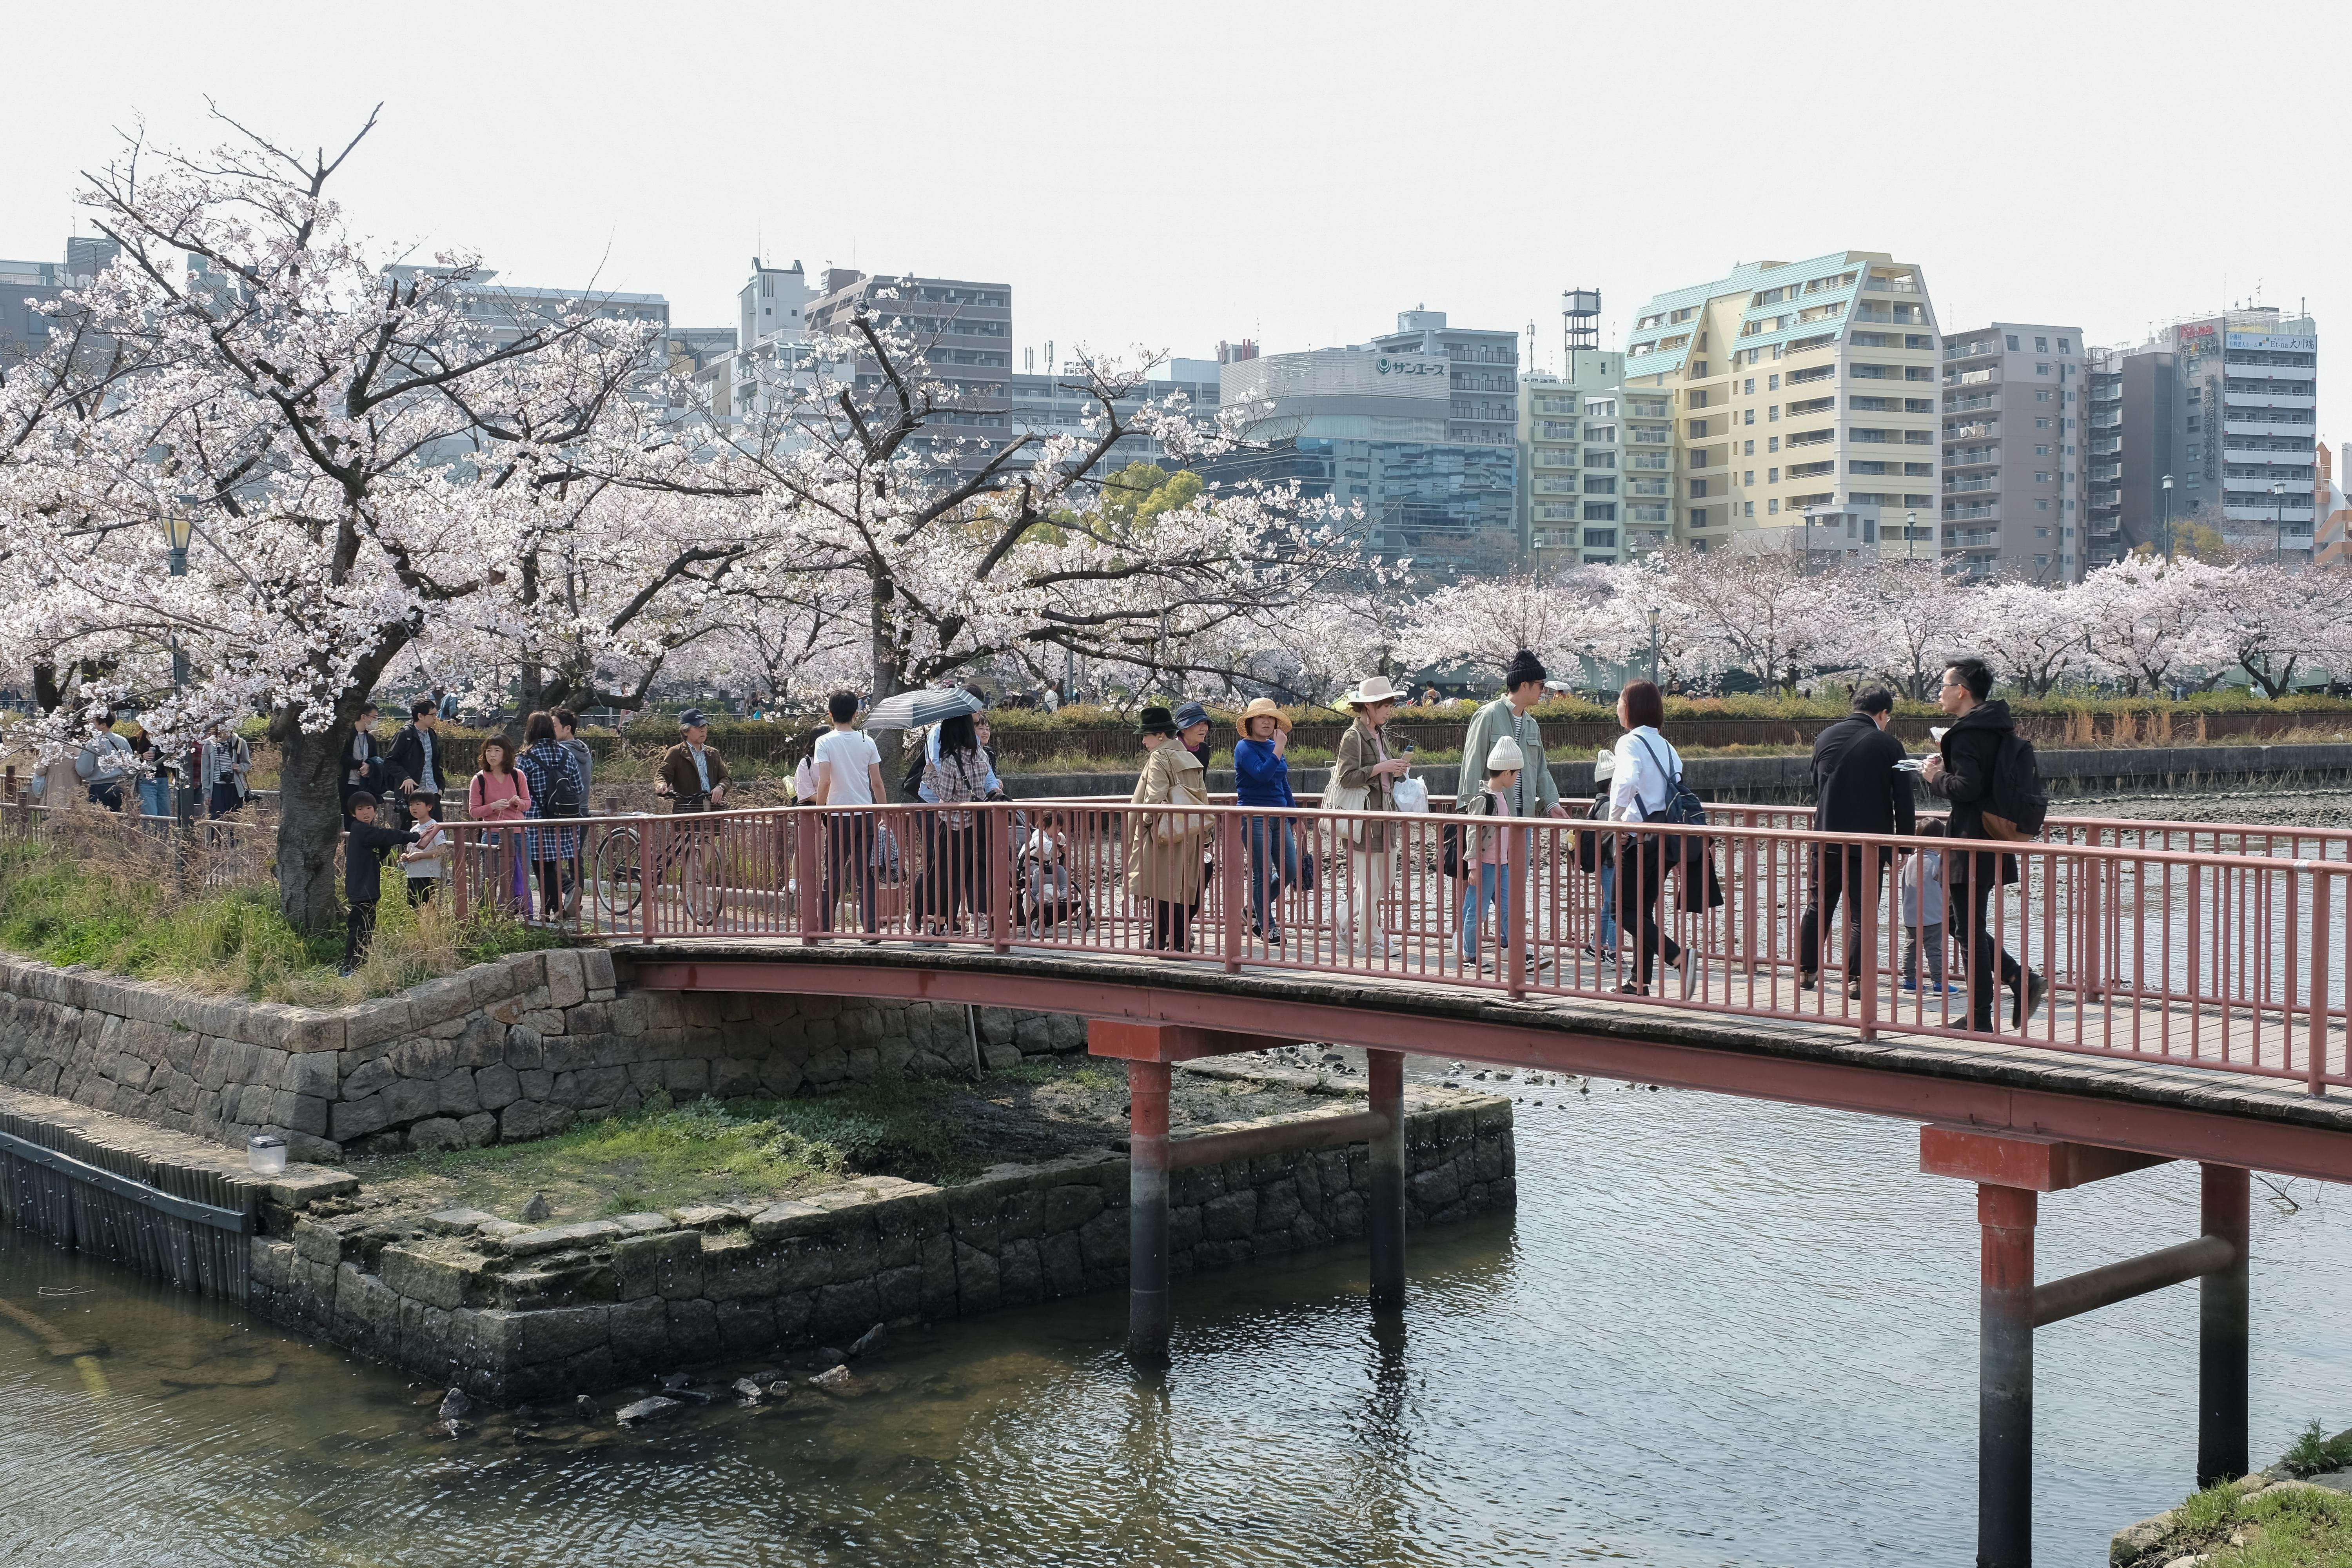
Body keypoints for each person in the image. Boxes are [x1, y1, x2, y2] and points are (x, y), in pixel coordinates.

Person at [1920, 658, 2048, 1031]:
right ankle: (2017, 977)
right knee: (1959, 922)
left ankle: (1979, 1015)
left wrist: (1935, 776)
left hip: (1969, 842)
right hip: (1992, 837)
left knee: (1968, 929)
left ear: (1961, 691)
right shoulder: (1997, 727)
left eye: (1944, 686)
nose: (1940, 694)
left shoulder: (1965, 733)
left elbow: (1967, 788)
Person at [1798, 686, 1917, 998]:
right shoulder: (1889, 745)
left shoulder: (1825, 737)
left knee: (1818, 905)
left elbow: (1817, 782)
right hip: (1869, 844)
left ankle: (1807, 971)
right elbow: (1904, 800)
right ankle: (1856, 980)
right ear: (1884, 713)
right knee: (1862, 913)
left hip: (1827, 836)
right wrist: (1904, 845)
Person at [1606, 679, 1684, 995]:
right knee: (1642, 911)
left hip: (1637, 839)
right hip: (1664, 839)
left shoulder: (1629, 743)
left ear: (1631, 708)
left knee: (1621, 911)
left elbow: (1626, 781)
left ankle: (1678, 956)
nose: (1617, 708)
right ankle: (1639, 982)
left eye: (1621, 702)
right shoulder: (1668, 748)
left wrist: (1615, 824)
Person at [1333, 675, 1412, 957]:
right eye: (1385, 706)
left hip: (1385, 815)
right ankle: (1371, 940)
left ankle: (1343, 916)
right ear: (1369, 706)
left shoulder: (1380, 734)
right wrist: (1381, 768)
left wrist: (1396, 769)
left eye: (1390, 706)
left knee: (1385, 880)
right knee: (1372, 883)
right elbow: (1345, 778)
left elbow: (1383, 775)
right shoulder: (1353, 736)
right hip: (1365, 818)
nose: (1389, 711)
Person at [1126, 706, 1210, 952]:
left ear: (1161, 735)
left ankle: (1174, 943)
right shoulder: (1190, 757)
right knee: (1179, 888)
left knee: (1162, 888)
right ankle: (1168, 941)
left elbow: (1153, 799)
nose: (1144, 742)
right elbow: (1203, 797)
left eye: (1146, 736)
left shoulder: (1159, 757)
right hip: (1189, 830)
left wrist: (1145, 825)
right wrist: (1206, 835)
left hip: (1162, 833)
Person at [813, 690, 887, 935]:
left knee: (832, 873)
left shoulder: (824, 742)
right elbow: (877, 782)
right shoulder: (868, 741)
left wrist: (819, 812)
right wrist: (883, 811)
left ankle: (826, 929)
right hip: (865, 813)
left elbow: (825, 782)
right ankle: (871, 929)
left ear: (830, 714)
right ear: (856, 714)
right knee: (866, 874)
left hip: (837, 814)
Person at [916, 711, 993, 939]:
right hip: (979, 823)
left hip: (954, 826)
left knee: (946, 876)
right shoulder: (980, 754)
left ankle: (939, 927)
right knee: (977, 873)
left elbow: (946, 795)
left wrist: (929, 776)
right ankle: (985, 921)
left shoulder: (950, 760)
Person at [1455, 735, 1524, 970]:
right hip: (1485, 864)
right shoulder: (1484, 799)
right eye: (1515, 774)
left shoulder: (1499, 797)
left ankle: (1517, 950)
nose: (1516, 778)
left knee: (1508, 908)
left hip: (1501, 864)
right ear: (1506, 773)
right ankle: (1470, 955)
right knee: (1477, 910)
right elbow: (1473, 833)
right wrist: (1473, 866)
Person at [1232, 697, 1297, 944]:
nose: (1267, 722)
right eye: (1261, 717)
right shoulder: (1244, 748)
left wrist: (1295, 818)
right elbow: (1262, 775)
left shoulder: (1273, 745)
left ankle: (1252, 909)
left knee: (1290, 870)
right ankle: (1267, 926)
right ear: (1251, 722)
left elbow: (1283, 783)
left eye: (1271, 717)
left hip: (1280, 816)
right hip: (1255, 816)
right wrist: (1278, 749)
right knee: (1262, 872)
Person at [341, 791, 419, 976]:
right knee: (359, 928)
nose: (366, 812)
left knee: (367, 928)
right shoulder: (361, 829)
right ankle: (350, 968)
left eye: (369, 808)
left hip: (368, 888)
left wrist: (387, 842)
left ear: (375, 810)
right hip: (361, 889)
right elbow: (385, 835)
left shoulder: (369, 832)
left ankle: (361, 966)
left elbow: (381, 848)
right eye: (360, 809)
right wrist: (411, 836)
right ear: (353, 813)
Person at [517, 711, 586, 920]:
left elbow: (518, 790)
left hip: (537, 819)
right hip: (564, 818)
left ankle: (552, 908)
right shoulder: (566, 754)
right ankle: (555, 909)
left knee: (542, 865)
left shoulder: (525, 758)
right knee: (552, 864)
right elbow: (579, 788)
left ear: (530, 730)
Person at [466, 735, 532, 909]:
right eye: (488, 751)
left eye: (497, 750)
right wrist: (493, 807)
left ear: (506, 753)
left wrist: (518, 803)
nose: (492, 755)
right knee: (490, 877)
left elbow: (527, 803)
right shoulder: (479, 779)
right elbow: (474, 811)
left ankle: (524, 913)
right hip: (493, 834)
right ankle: (488, 912)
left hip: (519, 833)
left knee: (522, 876)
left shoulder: (518, 775)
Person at [1899, 820, 1956, 995]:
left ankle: (1909, 981)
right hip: (1933, 916)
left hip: (1911, 916)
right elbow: (1947, 890)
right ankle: (1939, 983)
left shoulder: (1910, 862)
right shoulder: (1938, 863)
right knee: (1935, 951)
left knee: (1910, 948)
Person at [657, 709, 730, 811]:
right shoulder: (676, 752)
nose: (703, 730)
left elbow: (726, 778)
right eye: (698, 727)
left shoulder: (713, 753)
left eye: (705, 726)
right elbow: (663, 774)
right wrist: (661, 784)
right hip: (687, 810)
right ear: (685, 731)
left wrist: (721, 787)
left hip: (713, 809)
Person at [384, 697, 445, 815]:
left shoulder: (432, 734)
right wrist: (405, 777)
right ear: (421, 716)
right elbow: (390, 761)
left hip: (433, 794)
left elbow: (436, 764)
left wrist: (441, 788)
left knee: (436, 826)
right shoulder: (405, 734)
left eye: (436, 714)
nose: (435, 718)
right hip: (412, 795)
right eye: (432, 715)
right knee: (412, 826)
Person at [342, 701, 394, 824]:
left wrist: (370, 766)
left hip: (365, 785)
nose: (376, 721)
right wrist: (360, 765)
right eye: (374, 717)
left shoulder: (370, 738)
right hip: (348, 784)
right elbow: (342, 757)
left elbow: (374, 757)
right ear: (364, 717)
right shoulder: (347, 735)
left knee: (366, 820)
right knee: (350, 819)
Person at [75, 715, 135, 811]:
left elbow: (84, 770)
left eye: (93, 722)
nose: (90, 724)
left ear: (103, 725)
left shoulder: (93, 743)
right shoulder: (123, 740)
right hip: (120, 786)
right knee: (118, 817)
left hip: (99, 786)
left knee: (100, 818)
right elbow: (131, 765)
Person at [397, 791, 447, 905]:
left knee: (428, 907)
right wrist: (405, 856)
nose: (414, 808)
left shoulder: (435, 827)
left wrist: (420, 856)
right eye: (411, 805)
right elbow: (410, 850)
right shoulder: (414, 829)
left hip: (428, 875)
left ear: (429, 807)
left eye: (418, 804)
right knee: (413, 907)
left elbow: (442, 850)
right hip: (413, 874)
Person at [197, 720, 251, 818]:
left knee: (235, 818)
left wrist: (240, 768)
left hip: (235, 787)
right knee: (217, 818)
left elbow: (247, 764)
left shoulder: (239, 743)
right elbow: (205, 770)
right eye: (222, 727)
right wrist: (207, 794)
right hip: (217, 787)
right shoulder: (209, 744)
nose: (225, 731)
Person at [126, 723, 170, 818]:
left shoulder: (165, 740)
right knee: (150, 813)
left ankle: (164, 830)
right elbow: (128, 761)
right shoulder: (136, 741)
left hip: (163, 779)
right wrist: (142, 757)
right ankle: (150, 829)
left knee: (165, 814)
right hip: (146, 780)